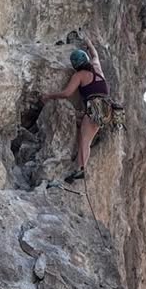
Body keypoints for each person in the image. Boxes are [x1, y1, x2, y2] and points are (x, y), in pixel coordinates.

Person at [40, 35, 120, 183]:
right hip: (106, 110)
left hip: (94, 109)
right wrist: (88, 42)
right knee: (85, 136)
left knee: (84, 140)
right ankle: (79, 168)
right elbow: (95, 54)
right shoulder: (96, 67)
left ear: (75, 65)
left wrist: (49, 96)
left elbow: (66, 93)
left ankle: (80, 170)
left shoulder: (80, 75)